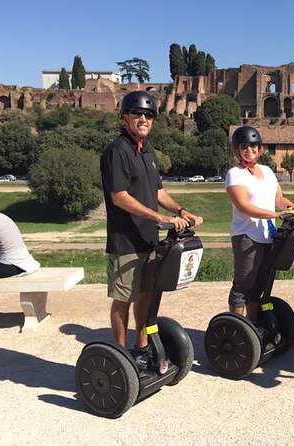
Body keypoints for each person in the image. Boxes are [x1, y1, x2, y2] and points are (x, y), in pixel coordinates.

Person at [100, 91, 203, 355]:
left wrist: (181, 210)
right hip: (125, 241)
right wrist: (161, 218)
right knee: (123, 299)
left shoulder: (148, 151)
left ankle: (141, 346)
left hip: (149, 239)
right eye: (137, 114)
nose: (143, 119)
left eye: (148, 115)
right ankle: (120, 355)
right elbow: (120, 197)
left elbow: (158, 191)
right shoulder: (116, 151)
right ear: (125, 117)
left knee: (146, 295)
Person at [225, 125, 294, 322]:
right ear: (237, 150)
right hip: (247, 236)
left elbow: (279, 198)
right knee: (243, 285)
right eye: (244, 146)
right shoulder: (234, 174)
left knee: (260, 284)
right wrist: (277, 214)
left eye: (253, 146)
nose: (249, 150)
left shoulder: (267, 171)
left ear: (260, 149)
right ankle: (237, 326)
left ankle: (252, 325)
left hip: (268, 236)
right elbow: (244, 206)